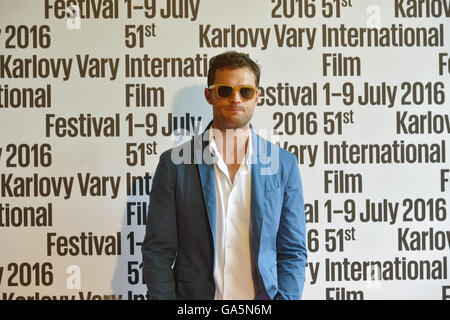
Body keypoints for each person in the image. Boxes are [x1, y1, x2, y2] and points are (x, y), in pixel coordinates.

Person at [141, 51, 307, 300]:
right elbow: (158, 252)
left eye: (246, 91)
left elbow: (293, 251)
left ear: (257, 97)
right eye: (225, 90)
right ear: (209, 95)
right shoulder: (174, 165)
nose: (236, 99)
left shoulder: (284, 165)